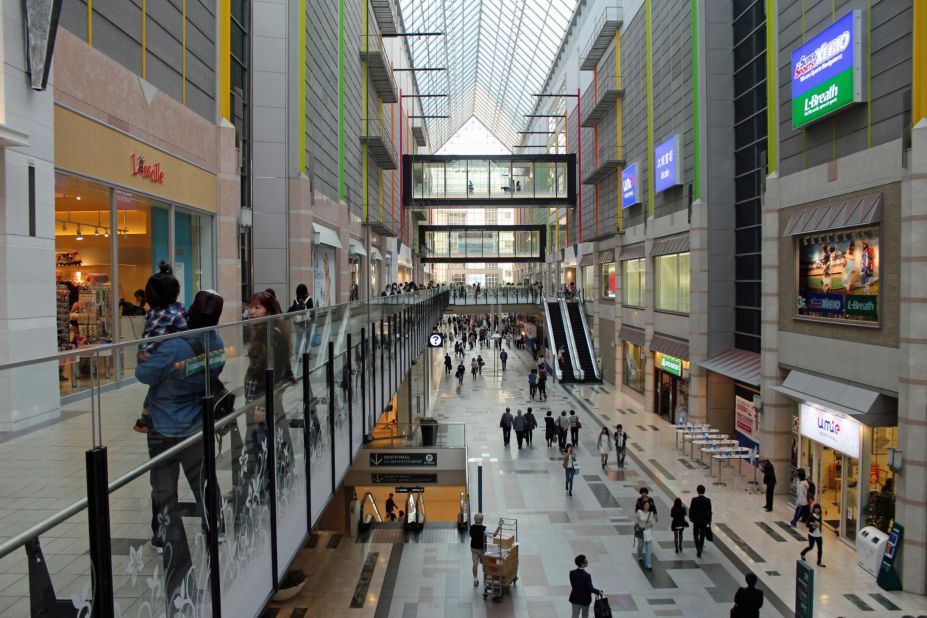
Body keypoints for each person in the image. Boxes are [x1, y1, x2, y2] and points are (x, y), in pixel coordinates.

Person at [135, 290, 225, 601]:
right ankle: (216, 526)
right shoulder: (215, 342)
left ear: (189, 312)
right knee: (203, 479)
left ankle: (168, 540)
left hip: (164, 426)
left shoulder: (174, 345)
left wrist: (151, 360)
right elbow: (213, 371)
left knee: (164, 488)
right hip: (196, 425)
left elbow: (143, 373)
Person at [134, 263, 190, 434]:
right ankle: (147, 416)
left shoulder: (153, 311)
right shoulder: (175, 311)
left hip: (146, 355)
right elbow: (186, 330)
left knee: (158, 386)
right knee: (160, 385)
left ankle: (145, 418)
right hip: (158, 356)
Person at [689, 485, 712, 557]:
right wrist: (709, 520)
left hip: (696, 520)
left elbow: (691, 510)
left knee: (695, 534)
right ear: (704, 491)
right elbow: (709, 511)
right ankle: (701, 547)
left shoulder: (694, 499)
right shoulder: (707, 500)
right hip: (704, 520)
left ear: (697, 491)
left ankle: (698, 548)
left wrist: (691, 518)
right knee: (702, 534)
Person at [800, 503, 826, 567]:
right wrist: (813, 525)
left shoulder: (820, 515)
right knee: (811, 547)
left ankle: (819, 561)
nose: (817, 510)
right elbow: (807, 525)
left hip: (819, 535)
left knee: (820, 548)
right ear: (814, 509)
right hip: (812, 535)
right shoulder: (811, 516)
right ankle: (803, 553)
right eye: (816, 509)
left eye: (818, 509)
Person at [634, 500, 656, 569]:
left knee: (649, 548)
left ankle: (648, 564)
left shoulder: (651, 513)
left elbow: (652, 522)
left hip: (648, 531)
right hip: (641, 531)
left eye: (648, 505)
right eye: (646, 505)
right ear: (643, 505)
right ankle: (639, 555)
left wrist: (650, 525)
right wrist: (637, 526)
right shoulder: (639, 512)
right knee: (640, 545)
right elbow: (635, 520)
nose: (647, 506)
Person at [469, 513, 487, 587]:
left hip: (474, 548)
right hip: (482, 549)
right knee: (485, 564)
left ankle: (475, 579)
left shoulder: (472, 527)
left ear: (474, 519)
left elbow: (470, 534)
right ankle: (485, 578)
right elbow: (493, 535)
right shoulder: (485, 528)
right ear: (482, 520)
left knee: (475, 564)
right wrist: (499, 527)